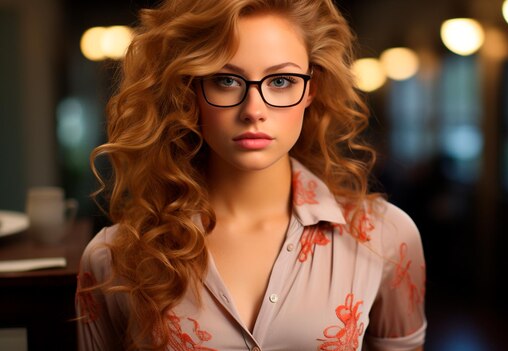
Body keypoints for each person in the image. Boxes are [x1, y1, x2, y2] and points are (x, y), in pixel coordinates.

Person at [75, 0, 427, 350]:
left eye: (281, 80)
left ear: (310, 90)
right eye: (226, 80)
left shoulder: (386, 238)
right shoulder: (112, 257)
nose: (253, 111)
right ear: (190, 90)